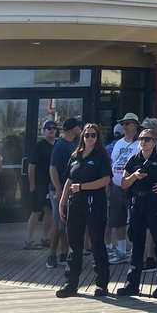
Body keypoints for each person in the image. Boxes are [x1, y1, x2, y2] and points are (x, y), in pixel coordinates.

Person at [117, 126, 157, 299]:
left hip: (156, 202)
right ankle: (132, 284)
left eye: (147, 139)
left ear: (154, 142)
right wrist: (134, 177)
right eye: (141, 139)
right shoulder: (133, 159)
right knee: (137, 243)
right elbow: (123, 183)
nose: (143, 142)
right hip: (137, 203)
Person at [56, 123, 112, 298]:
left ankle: (101, 284)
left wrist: (83, 187)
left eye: (93, 135)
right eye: (87, 135)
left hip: (95, 203)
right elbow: (69, 180)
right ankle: (70, 283)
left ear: (97, 137)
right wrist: (62, 201)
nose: (89, 138)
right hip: (76, 204)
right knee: (74, 243)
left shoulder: (101, 155)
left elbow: (105, 180)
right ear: (82, 138)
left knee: (97, 243)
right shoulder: (75, 156)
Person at [108, 113, 142, 264]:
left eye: (128, 123)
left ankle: (136, 251)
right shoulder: (118, 143)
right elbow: (113, 163)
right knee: (117, 218)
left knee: (135, 220)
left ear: (135, 125)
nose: (124, 127)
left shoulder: (140, 143)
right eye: (123, 124)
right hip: (116, 185)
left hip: (133, 187)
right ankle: (121, 250)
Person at [47, 118, 79, 268]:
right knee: (58, 222)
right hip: (58, 189)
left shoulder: (73, 144)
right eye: (78, 127)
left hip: (69, 188)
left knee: (66, 221)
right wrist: (58, 188)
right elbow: (52, 168)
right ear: (73, 128)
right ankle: (51, 255)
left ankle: (64, 253)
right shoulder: (60, 145)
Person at [24, 121, 56, 250]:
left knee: (49, 211)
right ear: (44, 130)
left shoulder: (57, 145)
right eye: (49, 128)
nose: (52, 130)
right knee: (36, 211)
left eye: (54, 128)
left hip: (51, 183)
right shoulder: (40, 146)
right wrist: (32, 184)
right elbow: (31, 166)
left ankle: (46, 237)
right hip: (39, 183)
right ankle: (29, 239)